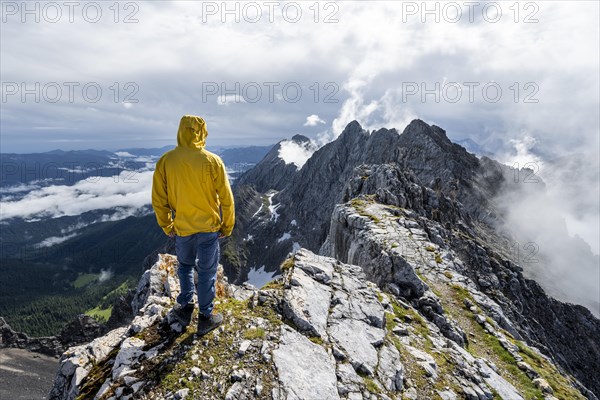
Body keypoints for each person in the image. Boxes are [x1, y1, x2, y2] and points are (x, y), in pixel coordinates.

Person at [151, 115, 235, 336]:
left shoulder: (166, 161)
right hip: (209, 229)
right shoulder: (213, 161)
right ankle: (206, 317)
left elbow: (159, 199)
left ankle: (185, 306)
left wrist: (166, 224)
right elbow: (226, 198)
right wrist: (227, 226)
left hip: (182, 228)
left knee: (185, 266)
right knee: (207, 273)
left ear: (180, 131)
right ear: (202, 132)